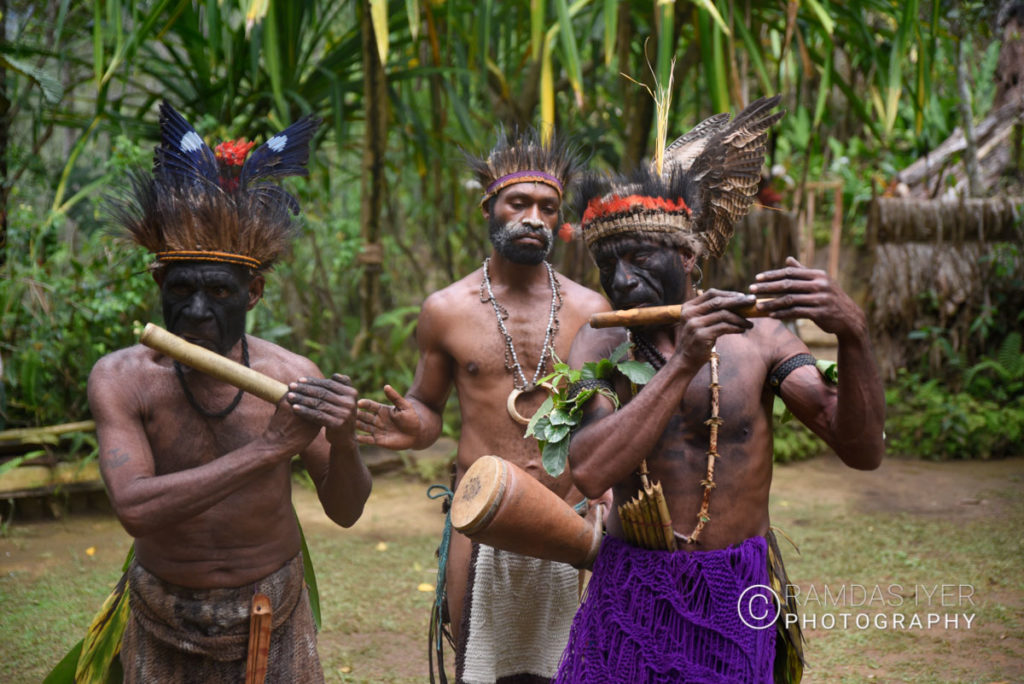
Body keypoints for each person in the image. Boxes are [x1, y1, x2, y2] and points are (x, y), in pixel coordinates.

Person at [552, 96, 885, 683]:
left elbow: (862, 450)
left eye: (640, 257)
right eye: (607, 265)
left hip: (735, 592)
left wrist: (853, 333)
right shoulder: (600, 345)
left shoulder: (759, 338)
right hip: (630, 584)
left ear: (688, 253)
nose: (623, 281)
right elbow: (590, 471)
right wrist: (683, 361)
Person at [87, 102, 371, 682]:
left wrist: (343, 441)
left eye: (218, 292)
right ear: (157, 282)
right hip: (160, 603)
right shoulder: (121, 377)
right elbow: (135, 508)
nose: (195, 312)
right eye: (181, 289)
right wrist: (269, 449)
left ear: (254, 293)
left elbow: (345, 511)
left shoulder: (290, 373)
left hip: (273, 605)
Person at [355, 128, 609, 683]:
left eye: (548, 208)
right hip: (481, 521)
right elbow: (427, 408)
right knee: (476, 660)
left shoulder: (591, 309)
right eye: (519, 203)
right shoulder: (446, 309)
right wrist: (412, 426)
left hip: (570, 517)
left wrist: (606, 493)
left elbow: (606, 422)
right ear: (489, 207)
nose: (534, 218)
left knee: (569, 666)